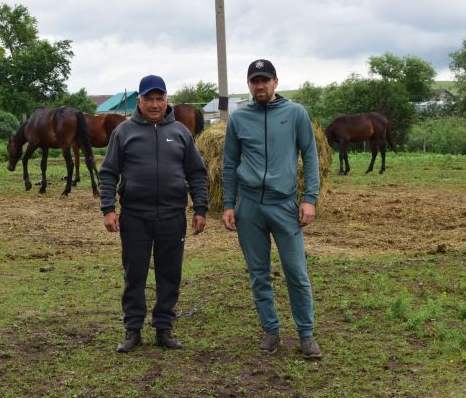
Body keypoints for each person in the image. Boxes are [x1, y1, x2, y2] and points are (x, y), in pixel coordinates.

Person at [221, 59, 322, 359]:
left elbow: (311, 156)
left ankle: (306, 334)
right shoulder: (239, 119)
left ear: (276, 82)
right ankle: (271, 331)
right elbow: (229, 164)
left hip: (284, 205)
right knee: (258, 273)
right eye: (255, 81)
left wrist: (310, 199)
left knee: (296, 271)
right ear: (249, 84)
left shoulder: (295, 114)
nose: (260, 85)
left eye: (265, 80)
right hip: (249, 206)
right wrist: (229, 204)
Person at [99, 74, 209, 353]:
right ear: (140, 100)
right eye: (149, 98)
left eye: (160, 98)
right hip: (135, 216)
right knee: (134, 274)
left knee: (169, 275)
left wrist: (200, 208)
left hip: (173, 216)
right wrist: (108, 208)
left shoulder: (182, 132)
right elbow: (109, 172)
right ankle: (132, 330)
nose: (155, 104)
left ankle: (164, 328)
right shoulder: (123, 132)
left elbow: (196, 172)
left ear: (166, 100)